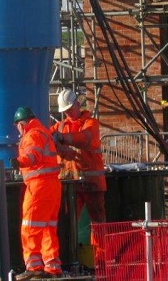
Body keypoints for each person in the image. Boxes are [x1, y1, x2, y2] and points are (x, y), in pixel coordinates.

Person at [50, 89, 106, 269]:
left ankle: (100, 263)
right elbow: (47, 139)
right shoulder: (59, 127)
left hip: (91, 183)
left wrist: (63, 140)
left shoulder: (91, 123)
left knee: (98, 226)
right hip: (69, 183)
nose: (66, 112)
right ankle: (67, 261)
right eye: (64, 110)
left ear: (77, 104)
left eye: (68, 108)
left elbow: (85, 139)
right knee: (65, 225)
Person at [11, 106, 63, 280]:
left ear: (21, 124)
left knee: (30, 226)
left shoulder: (32, 134)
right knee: (48, 227)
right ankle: (52, 267)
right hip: (52, 186)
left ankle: (34, 268)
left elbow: (33, 155)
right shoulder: (43, 132)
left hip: (38, 187)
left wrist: (18, 161)